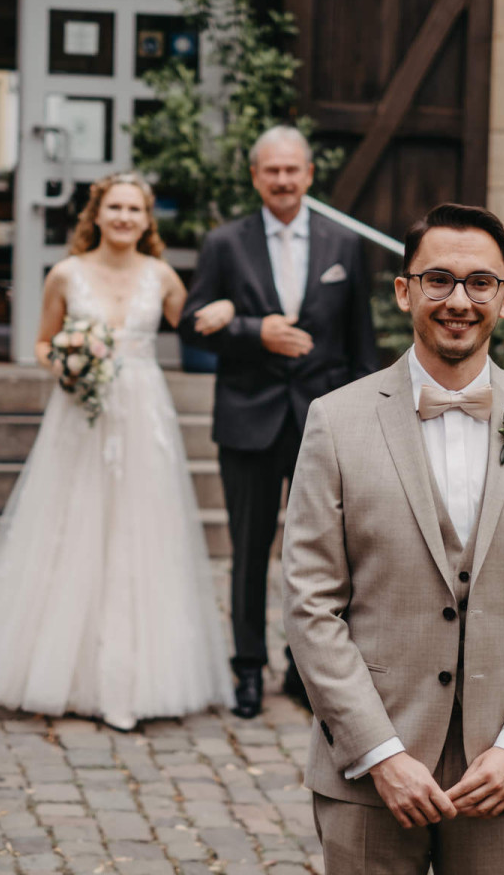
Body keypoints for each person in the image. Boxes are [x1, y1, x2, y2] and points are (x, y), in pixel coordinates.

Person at [283, 203, 504, 873]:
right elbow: (311, 607)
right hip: (369, 774)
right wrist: (380, 754)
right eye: (439, 280)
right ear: (404, 292)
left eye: (480, 282)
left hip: (503, 774)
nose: (460, 300)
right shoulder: (334, 423)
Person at [0, 172, 236, 731]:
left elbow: (191, 328)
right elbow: (43, 343)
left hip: (142, 414)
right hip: (81, 416)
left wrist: (225, 313)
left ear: (146, 220)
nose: (123, 218)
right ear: (96, 214)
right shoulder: (65, 274)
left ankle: (133, 674)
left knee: (140, 531)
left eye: (134, 210)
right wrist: (68, 363)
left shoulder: (162, 275)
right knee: (71, 523)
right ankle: (49, 664)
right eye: (114, 207)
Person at [179, 125, 378, 719]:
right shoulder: (224, 244)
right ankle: (247, 669)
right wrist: (251, 330)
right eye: (272, 171)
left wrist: (371, 418)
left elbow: (361, 341)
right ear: (255, 176)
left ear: (310, 174)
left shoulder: (343, 243)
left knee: (323, 554)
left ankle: (304, 671)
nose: (284, 180)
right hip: (249, 419)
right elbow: (190, 323)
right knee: (249, 549)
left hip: (323, 421)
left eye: (293, 170)